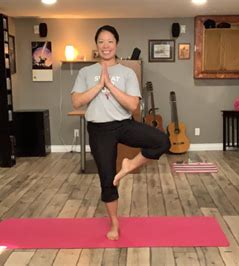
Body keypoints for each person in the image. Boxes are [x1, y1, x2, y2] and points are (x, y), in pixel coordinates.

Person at [71, 25, 170, 241]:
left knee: (162, 141)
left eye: (110, 41)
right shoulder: (85, 72)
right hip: (99, 130)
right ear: (96, 45)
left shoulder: (127, 72)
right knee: (107, 180)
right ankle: (115, 223)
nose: (105, 45)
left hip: (124, 124)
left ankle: (128, 167)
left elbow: (133, 105)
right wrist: (99, 85)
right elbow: (77, 102)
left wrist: (111, 86)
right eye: (101, 41)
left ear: (116, 44)